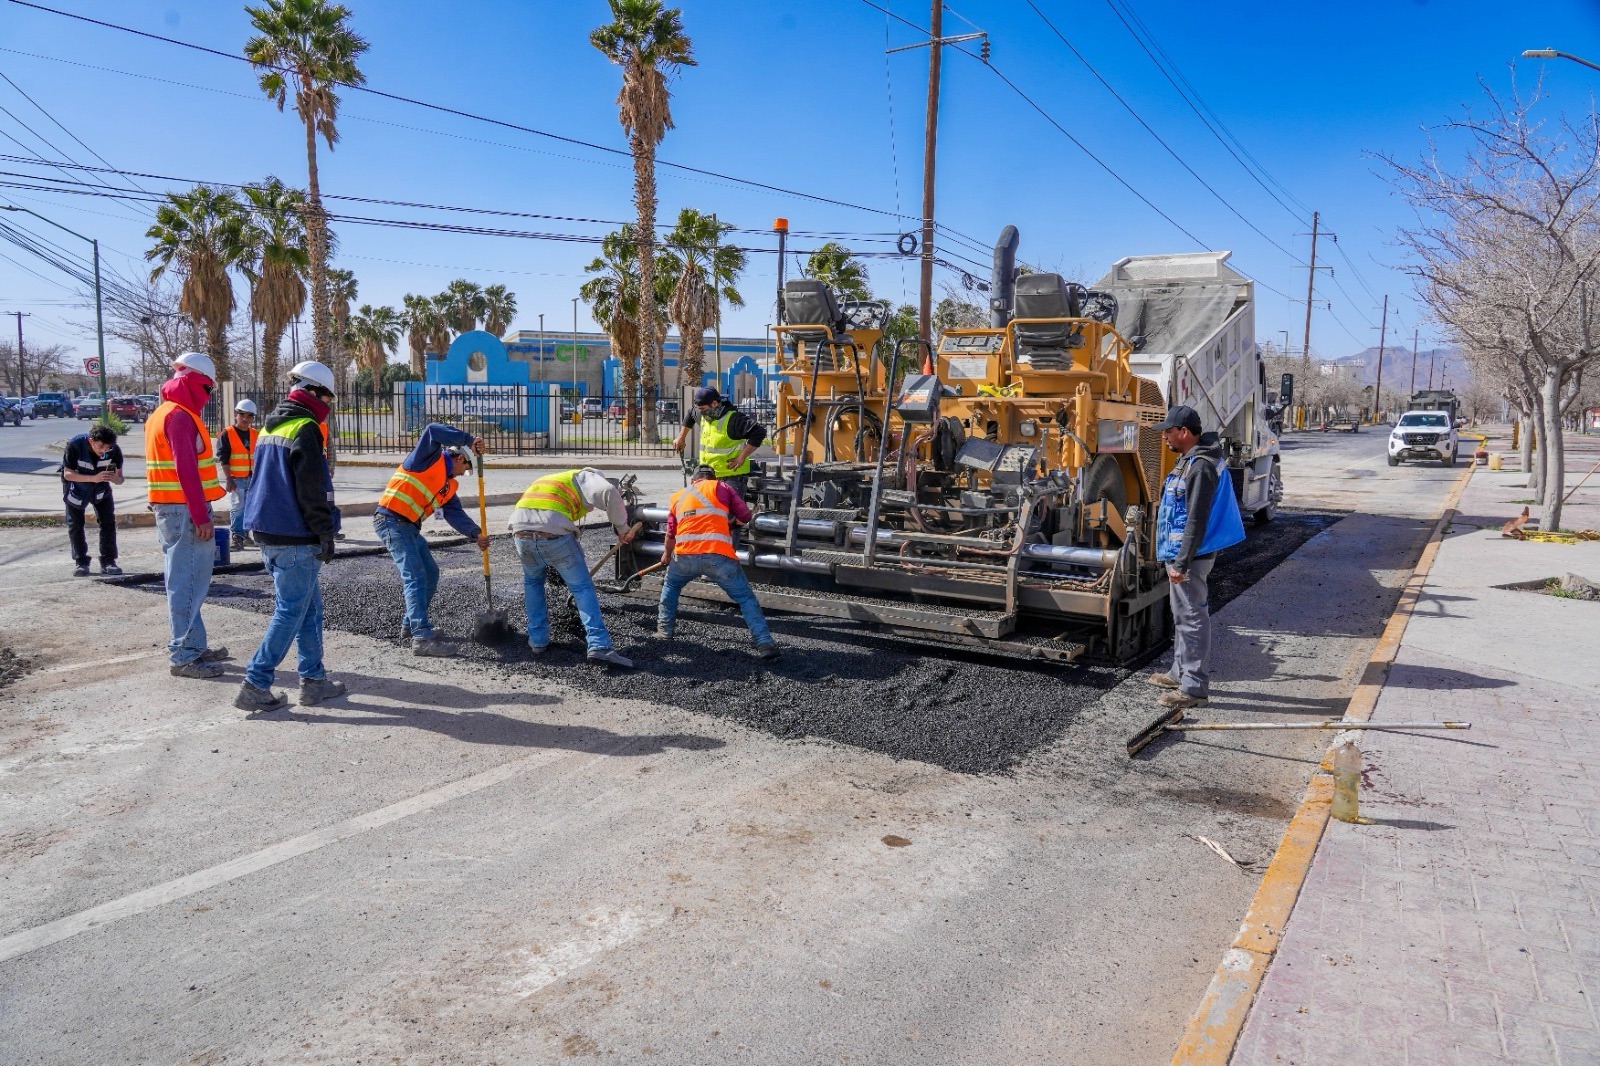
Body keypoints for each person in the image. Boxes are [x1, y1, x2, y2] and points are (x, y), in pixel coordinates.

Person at [235, 361, 346, 714]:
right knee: (290, 611)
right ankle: (255, 683)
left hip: (268, 530)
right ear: (313, 392)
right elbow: (311, 488)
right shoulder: (306, 427)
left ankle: (313, 680)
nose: (328, 405)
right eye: (327, 398)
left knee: (309, 608)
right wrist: (325, 530)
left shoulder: (271, 426)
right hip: (295, 535)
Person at [1148, 404, 1241, 711]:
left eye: (1168, 432)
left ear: (1184, 432)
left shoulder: (1200, 467)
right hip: (1183, 554)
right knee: (1182, 615)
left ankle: (1194, 687)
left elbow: (1196, 520)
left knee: (1192, 617)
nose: (1164, 437)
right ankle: (1180, 673)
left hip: (1191, 557)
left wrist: (1181, 563)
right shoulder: (1190, 460)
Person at [146, 352, 229, 679]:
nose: (208, 396)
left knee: (185, 580)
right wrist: (200, 515)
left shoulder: (160, 413)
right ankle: (184, 655)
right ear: (194, 383)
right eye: (207, 389)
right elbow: (185, 470)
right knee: (187, 582)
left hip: (170, 508)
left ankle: (193, 644)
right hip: (184, 511)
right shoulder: (180, 416)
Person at [372, 423, 489, 656]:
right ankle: (422, 638)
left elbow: (454, 513)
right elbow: (432, 430)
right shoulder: (427, 458)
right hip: (391, 521)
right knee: (415, 576)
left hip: (408, 527)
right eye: (465, 468)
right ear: (459, 457)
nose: (463, 474)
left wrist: (476, 533)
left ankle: (410, 624)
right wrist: (468, 439)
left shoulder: (448, 485)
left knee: (431, 573)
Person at [508, 467, 634, 667]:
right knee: (582, 588)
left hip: (520, 533)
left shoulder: (552, 480)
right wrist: (622, 528)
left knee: (533, 583)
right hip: (553, 534)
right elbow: (609, 491)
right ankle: (599, 645)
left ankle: (538, 641)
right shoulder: (586, 476)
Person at [657, 464, 779, 660]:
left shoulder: (678, 496)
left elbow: (671, 533)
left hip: (685, 557)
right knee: (745, 599)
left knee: (671, 586)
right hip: (718, 556)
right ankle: (764, 643)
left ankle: (664, 632)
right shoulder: (722, 487)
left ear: (693, 480)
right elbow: (746, 516)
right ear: (713, 478)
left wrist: (666, 555)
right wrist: (731, 525)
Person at [672, 386, 767, 500]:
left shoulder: (734, 419)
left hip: (732, 477)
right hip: (708, 476)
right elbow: (691, 414)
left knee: (729, 510)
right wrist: (681, 437)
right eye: (699, 409)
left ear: (714, 404)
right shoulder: (702, 413)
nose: (700, 412)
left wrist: (741, 457)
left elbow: (759, 432)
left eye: (703, 409)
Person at [62, 423, 124, 577]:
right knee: (75, 525)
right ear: (91, 441)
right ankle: (81, 562)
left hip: (101, 489)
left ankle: (108, 561)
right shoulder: (75, 445)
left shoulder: (114, 450)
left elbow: (120, 478)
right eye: (100, 446)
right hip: (77, 488)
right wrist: (93, 478)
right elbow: (67, 474)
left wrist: (115, 479)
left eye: (107, 447)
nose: (103, 450)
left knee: (108, 522)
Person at [217, 399, 259, 552]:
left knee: (250, 507)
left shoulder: (255, 434)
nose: (245, 418)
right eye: (242, 415)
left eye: (249, 416)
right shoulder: (227, 433)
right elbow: (223, 457)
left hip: (252, 477)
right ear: (236, 415)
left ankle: (245, 535)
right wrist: (228, 478)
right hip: (236, 478)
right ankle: (237, 536)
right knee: (238, 507)